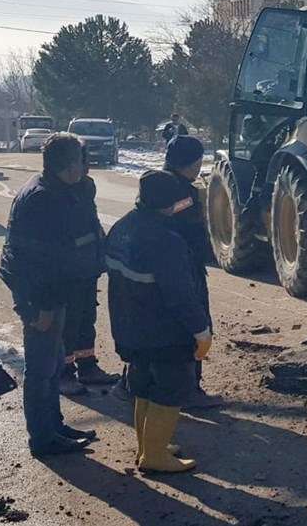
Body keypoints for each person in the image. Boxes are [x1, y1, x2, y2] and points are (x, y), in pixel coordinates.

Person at [0, 133, 99, 457]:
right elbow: (31, 261)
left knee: (54, 364)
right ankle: (42, 438)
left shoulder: (54, 190)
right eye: (82, 162)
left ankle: (54, 426)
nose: (85, 168)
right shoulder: (43, 199)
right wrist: (35, 307)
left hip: (54, 294)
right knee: (41, 369)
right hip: (42, 299)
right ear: (71, 166)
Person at [106, 170, 212, 473]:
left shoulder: (123, 226)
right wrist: (200, 329)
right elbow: (180, 294)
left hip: (129, 328)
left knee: (143, 385)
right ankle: (153, 456)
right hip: (163, 333)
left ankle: (148, 446)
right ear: (170, 203)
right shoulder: (165, 240)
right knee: (171, 387)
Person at [163, 136, 223, 409]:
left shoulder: (159, 184)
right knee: (194, 328)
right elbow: (190, 229)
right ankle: (189, 390)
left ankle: (159, 388)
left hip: (171, 268)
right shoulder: (182, 193)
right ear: (191, 163)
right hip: (185, 270)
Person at [59, 145, 119, 396]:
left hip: (87, 267)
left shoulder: (86, 187)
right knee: (68, 323)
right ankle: (63, 373)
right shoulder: (55, 193)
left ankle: (87, 366)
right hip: (69, 271)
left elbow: (92, 223)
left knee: (86, 319)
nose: (87, 166)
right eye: (83, 161)